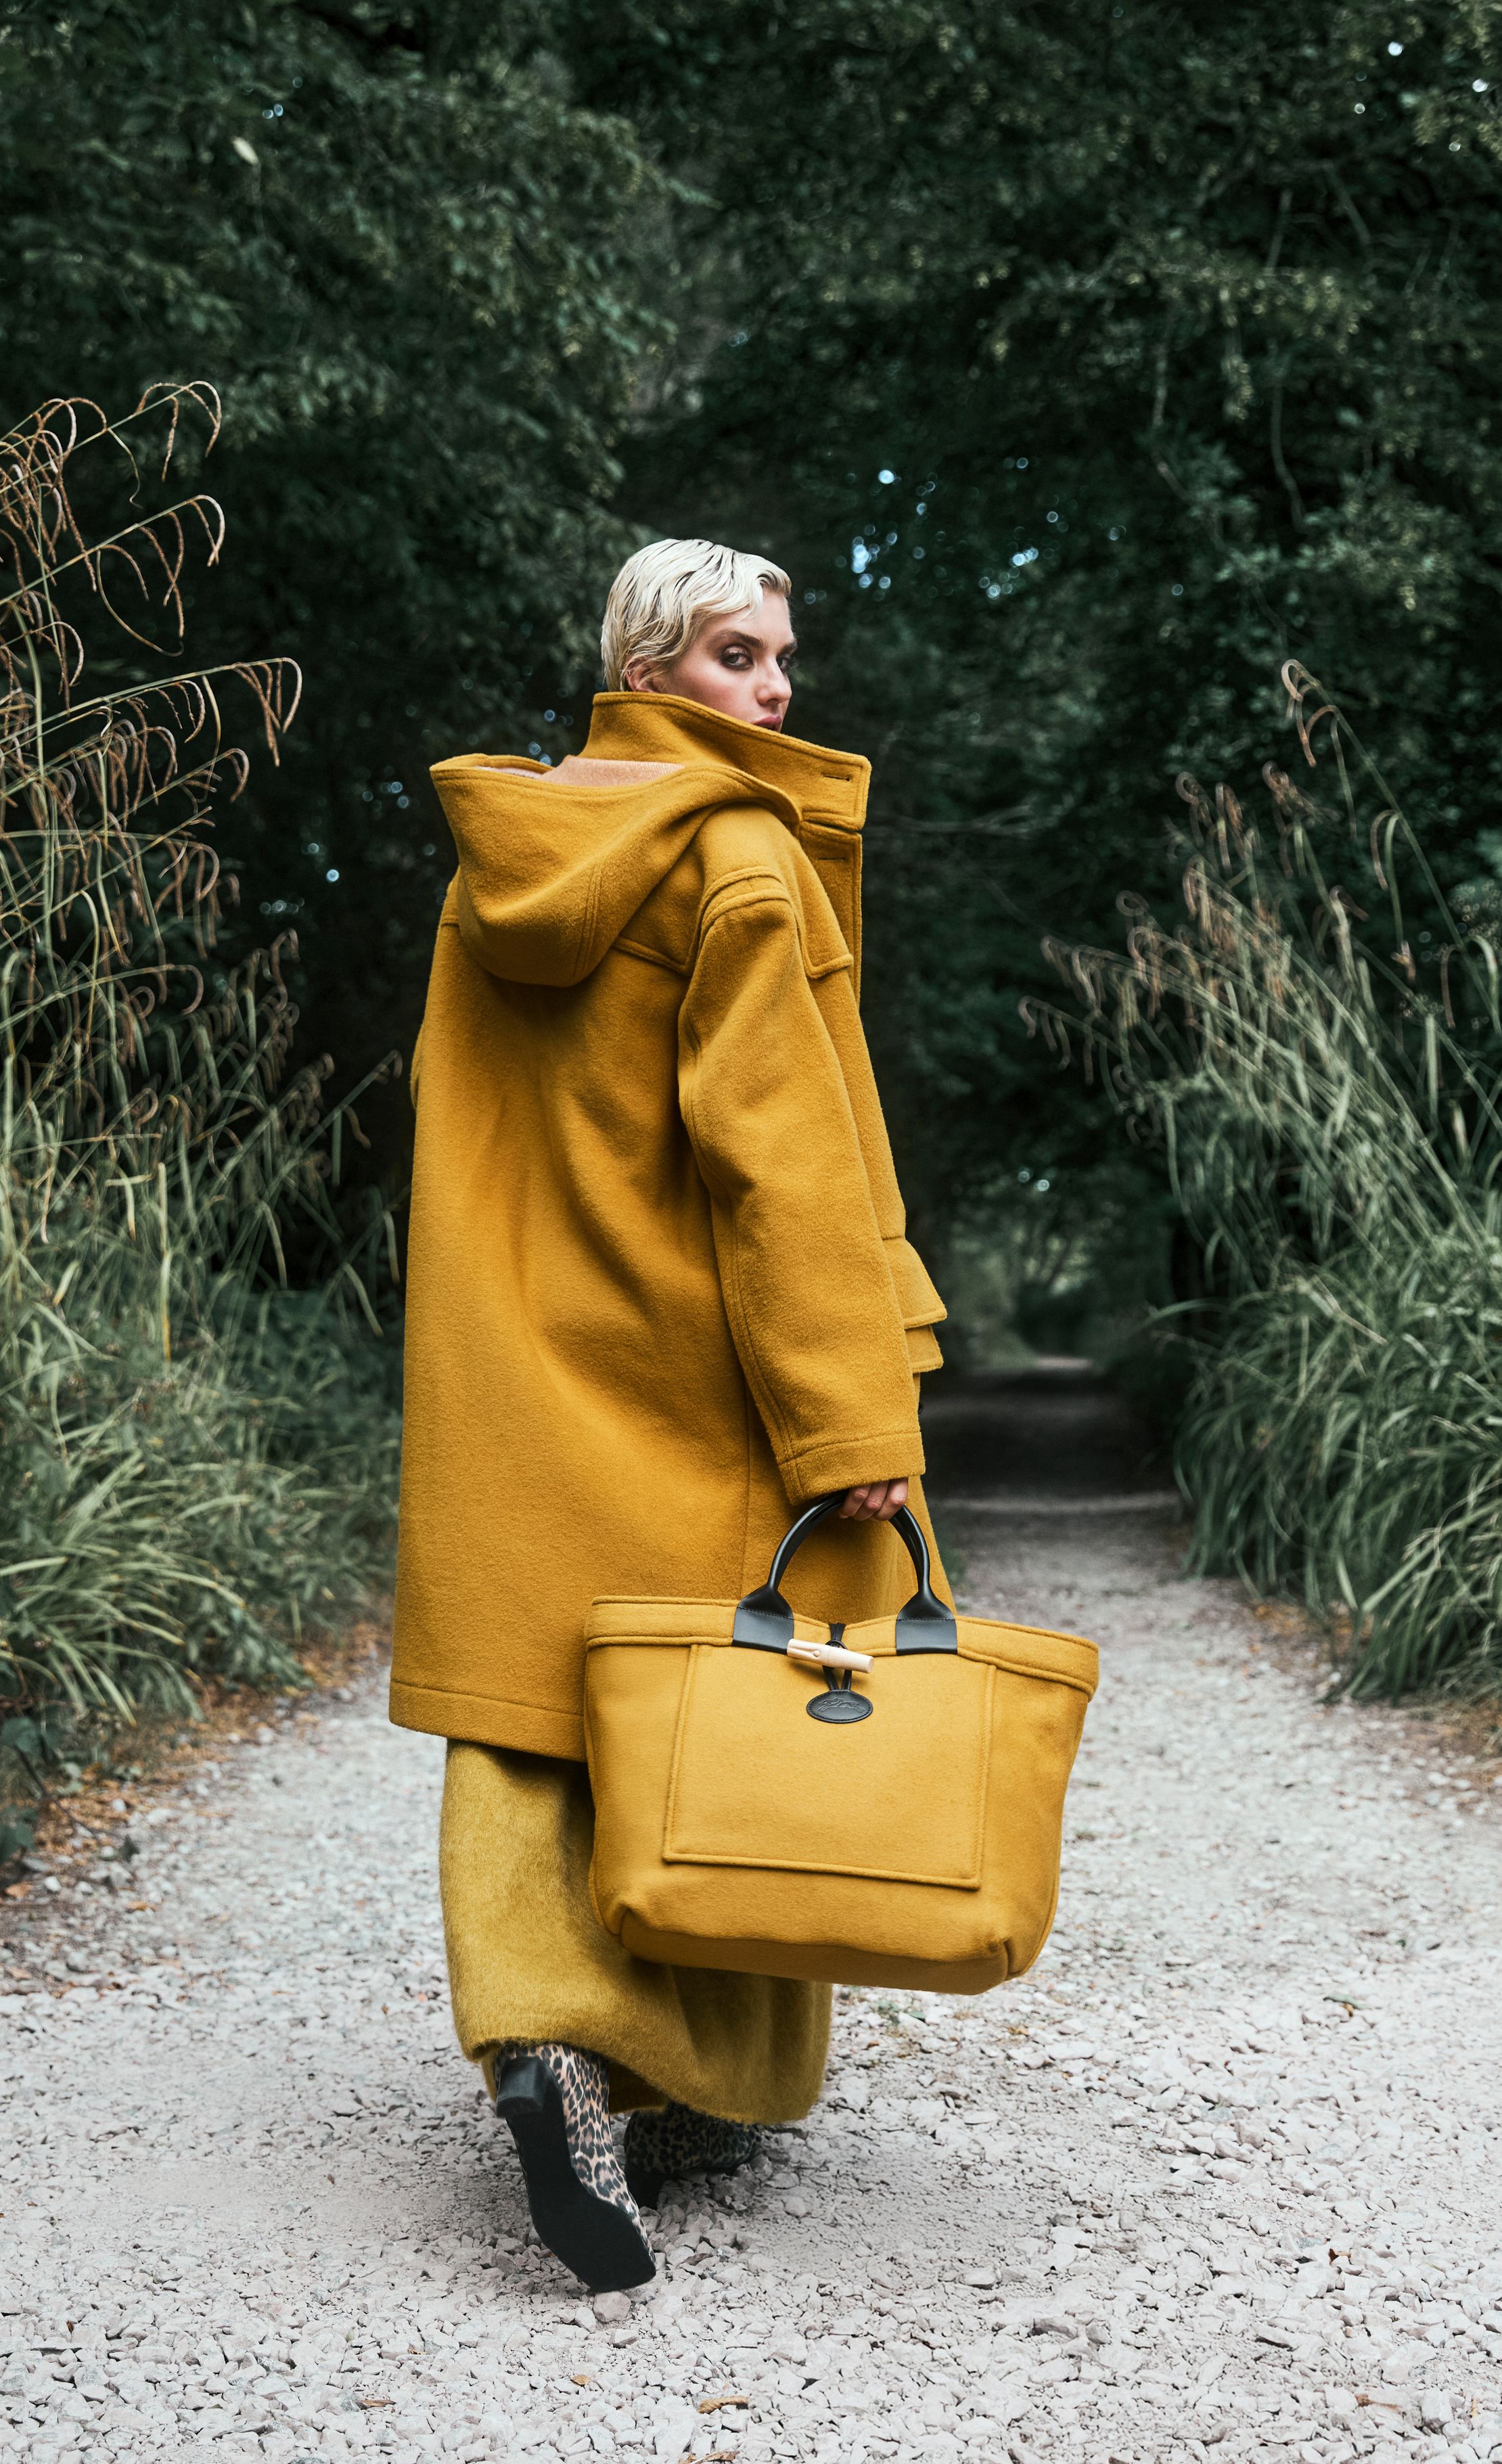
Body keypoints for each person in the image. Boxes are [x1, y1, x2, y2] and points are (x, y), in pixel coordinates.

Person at [390, 538, 950, 2288]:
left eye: (780, 656)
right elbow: (777, 1165)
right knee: (757, 1699)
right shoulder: (735, 855)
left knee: (530, 1700)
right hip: (699, 1362)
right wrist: (848, 1415)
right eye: (733, 654)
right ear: (647, 669)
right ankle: (694, 2087)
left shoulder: (505, 860)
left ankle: (542, 2041)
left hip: (519, 1361)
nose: (773, 689)